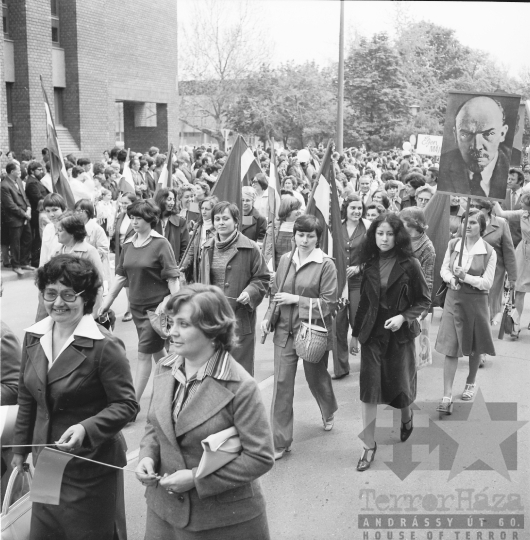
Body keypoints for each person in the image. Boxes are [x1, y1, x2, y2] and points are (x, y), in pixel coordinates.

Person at [12, 255, 138, 540]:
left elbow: (126, 405)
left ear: (86, 298)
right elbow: (27, 398)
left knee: (86, 534)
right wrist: (21, 449)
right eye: (51, 293)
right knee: (46, 532)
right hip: (46, 461)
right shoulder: (34, 337)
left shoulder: (105, 346)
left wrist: (86, 428)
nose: (58, 302)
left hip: (89, 465)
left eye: (69, 294)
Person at [135, 284, 274, 540]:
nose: (171, 332)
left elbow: (261, 457)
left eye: (184, 325)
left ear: (212, 330)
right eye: (171, 322)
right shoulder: (165, 368)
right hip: (163, 515)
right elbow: (155, 427)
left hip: (222, 524)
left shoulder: (241, 386)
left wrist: (197, 478)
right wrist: (147, 455)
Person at [350, 214, 431, 471]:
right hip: (372, 335)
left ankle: (406, 417)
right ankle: (368, 446)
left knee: (400, 386)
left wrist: (403, 317)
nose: (384, 239)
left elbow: (424, 300)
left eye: (389, 234)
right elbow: (364, 302)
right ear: (373, 235)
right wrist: (354, 334)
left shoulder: (410, 264)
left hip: (400, 335)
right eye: (379, 233)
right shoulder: (369, 262)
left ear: (398, 236)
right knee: (369, 390)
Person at [261, 215, 339, 460]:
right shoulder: (285, 259)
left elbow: (329, 304)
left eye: (310, 235)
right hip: (284, 332)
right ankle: (280, 441)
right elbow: (275, 293)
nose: (304, 240)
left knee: (316, 378)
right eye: (300, 235)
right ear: (293, 235)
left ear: (318, 238)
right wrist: (267, 318)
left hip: (311, 333)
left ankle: (328, 409)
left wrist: (297, 300)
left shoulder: (326, 264)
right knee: (282, 385)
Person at [99, 200, 180, 404]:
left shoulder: (161, 243)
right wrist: (105, 305)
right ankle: (174, 387)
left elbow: (172, 277)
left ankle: (131, 405)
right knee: (157, 353)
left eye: (139, 218)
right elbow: (120, 277)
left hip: (156, 310)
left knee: (144, 354)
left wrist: (174, 306)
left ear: (150, 220)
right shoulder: (128, 244)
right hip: (136, 308)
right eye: (132, 217)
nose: (134, 221)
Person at [435, 209, 497, 414]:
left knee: (474, 346)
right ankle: (447, 394)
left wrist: (466, 277)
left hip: (476, 302)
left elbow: (487, 282)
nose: (467, 226)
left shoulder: (489, 251)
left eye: (473, 222)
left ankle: (470, 382)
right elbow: (444, 269)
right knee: (451, 347)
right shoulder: (453, 244)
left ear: (482, 226)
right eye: (465, 221)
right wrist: (452, 279)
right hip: (454, 301)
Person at [200, 202, 269, 376]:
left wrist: (250, 292)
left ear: (236, 222)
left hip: (239, 316)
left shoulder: (250, 247)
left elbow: (262, 277)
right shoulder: (207, 247)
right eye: (217, 219)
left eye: (225, 218)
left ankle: (242, 402)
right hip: (212, 316)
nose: (221, 223)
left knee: (239, 370)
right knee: (213, 367)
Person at [439, 96, 511, 199]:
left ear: (502, 133)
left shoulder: (512, 167)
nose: (477, 146)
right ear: (455, 135)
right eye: (466, 134)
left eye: (488, 134)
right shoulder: (443, 168)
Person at [334, 194, 372, 379]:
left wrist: (359, 267)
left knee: (361, 322)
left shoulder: (369, 227)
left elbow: (376, 256)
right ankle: (341, 368)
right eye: (353, 208)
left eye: (359, 208)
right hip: (338, 282)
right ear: (346, 209)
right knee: (338, 324)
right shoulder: (336, 227)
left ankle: (368, 365)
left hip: (360, 282)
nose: (357, 211)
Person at [470, 199, 517, 328]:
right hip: (471, 269)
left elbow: (508, 251)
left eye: (478, 207)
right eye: (473, 205)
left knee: (488, 302)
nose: (474, 208)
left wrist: (512, 277)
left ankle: (483, 330)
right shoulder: (468, 222)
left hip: (494, 271)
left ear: (488, 209)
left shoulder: (501, 224)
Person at [53, 212, 106, 316]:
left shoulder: (89, 251)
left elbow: (98, 284)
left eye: (59, 230)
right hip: (62, 305)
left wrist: (94, 313)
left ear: (72, 233)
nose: (56, 233)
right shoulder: (56, 251)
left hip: (83, 306)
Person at [492, 195, 530, 337]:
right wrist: (494, 197)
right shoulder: (522, 213)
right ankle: (516, 324)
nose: (520, 204)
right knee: (519, 290)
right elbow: (501, 213)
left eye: (523, 202)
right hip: (523, 253)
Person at [1, 162, 33, 275]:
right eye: (18, 170)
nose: (20, 171)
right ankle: (16, 265)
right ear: (12, 171)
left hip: (25, 214)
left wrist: (29, 207)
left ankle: (24, 262)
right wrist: (25, 214)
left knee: (27, 238)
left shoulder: (18, 181)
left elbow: (24, 197)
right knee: (15, 243)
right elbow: (10, 205)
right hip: (14, 219)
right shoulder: (4, 185)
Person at [181, 195, 218, 284]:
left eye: (207, 209)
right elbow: (191, 249)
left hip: (211, 267)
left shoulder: (217, 228)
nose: (203, 212)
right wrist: (183, 266)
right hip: (197, 266)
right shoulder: (198, 226)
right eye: (202, 208)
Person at [263, 195, 301, 271]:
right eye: (296, 209)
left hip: (295, 268)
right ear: (287, 210)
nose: (299, 211)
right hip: (276, 269)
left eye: (299, 208)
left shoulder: (301, 227)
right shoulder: (273, 227)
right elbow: (267, 251)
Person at [154, 188, 190, 264]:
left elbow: (185, 248)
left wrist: (180, 266)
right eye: (169, 199)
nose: (172, 203)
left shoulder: (180, 221)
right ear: (161, 200)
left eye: (173, 200)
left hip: (173, 267)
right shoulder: (152, 220)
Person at [24, 161, 48, 267]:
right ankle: (36, 260)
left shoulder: (36, 181)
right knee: (38, 238)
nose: (41, 171)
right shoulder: (32, 183)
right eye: (39, 169)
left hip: (41, 212)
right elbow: (39, 198)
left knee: (40, 237)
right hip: (37, 214)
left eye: (42, 169)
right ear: (32, 171)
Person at [502, 168, 525, 247]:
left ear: (520, 181)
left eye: (512, 179)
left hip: (521, 240)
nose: (508, 181)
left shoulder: (527, 196)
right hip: (504, 239)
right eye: (508, 179)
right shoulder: (502, 194)